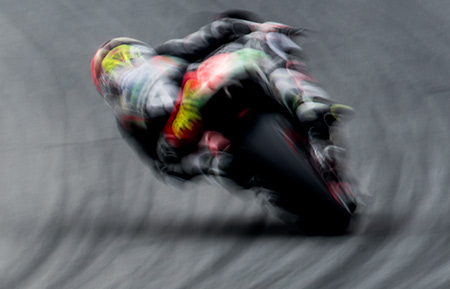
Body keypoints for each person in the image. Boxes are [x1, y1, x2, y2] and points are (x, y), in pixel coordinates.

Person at [91, 11, 349, 181]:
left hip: (199, 113)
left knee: (257, 50)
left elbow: (166, 168)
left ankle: (305, 113)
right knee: (260, 49)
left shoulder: (130, 119)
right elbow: (217, 32)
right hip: (194, 127)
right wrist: (261, 28)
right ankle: (310, 108)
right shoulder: (162, 61)